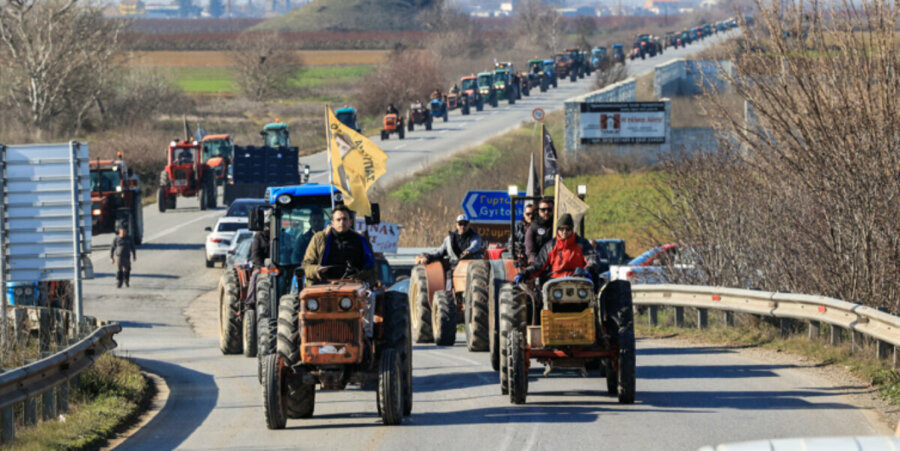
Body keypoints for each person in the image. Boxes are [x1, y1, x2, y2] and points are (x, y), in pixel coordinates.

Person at [302, 204, 376, 286]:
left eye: (345, 219)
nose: (342, 222)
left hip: (354, 287)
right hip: (323, 286)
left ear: (350, 222)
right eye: (338, 219)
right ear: (332, 222)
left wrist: (359, 275)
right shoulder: (319, 239)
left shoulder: (361, 241)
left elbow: (371, 268)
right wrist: (316, 270)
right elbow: (306, 266)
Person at [515, 213, 599, 285]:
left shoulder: (582, 244)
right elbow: (538, 265)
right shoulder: (550, 246)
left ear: (572, 229)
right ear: (557, 229)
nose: (564, 231)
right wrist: (525, 273)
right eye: (561, 229)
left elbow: (592, 259)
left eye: (568, 229)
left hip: (578, 282)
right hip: (554, 283)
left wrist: (588, 269)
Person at [415, 214, 483, 290]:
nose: (462, 226)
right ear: (457, 224)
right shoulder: (449, 240)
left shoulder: (475, 237)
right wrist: (427, 256)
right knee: (449, 287)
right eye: (460, 224)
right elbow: (439, 252)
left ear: (469, 224)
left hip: (471, 268)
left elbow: (475, 245)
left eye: (465, 224)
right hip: (453, 268)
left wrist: (468, 251)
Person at [246, 209, 271, 309]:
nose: (269, 227)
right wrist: (262, 267)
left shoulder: (284, 236)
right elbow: (255, 255)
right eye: (268, 225)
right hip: (263, 266)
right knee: (255, 275)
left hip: (278, 265)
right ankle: (250, 301)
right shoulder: (259, 237)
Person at [524, 197, 554, 263]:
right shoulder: (533, 227)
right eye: (543, 210)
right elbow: (531, 251)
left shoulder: (558, 225)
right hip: (539, 262)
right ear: (539, 211)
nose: (546, 212)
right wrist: (537, 264)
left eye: (549, 210)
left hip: (557, 262)